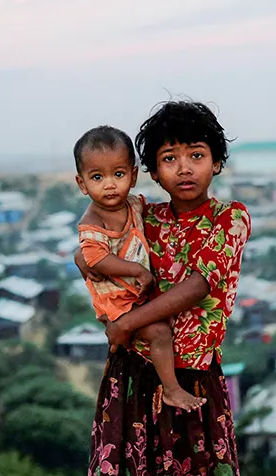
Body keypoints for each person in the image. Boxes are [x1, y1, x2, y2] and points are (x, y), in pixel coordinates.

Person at [76, 100, 265, 476]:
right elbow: (93, 249)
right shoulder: (143, 217)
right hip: (136, 376)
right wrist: (89, 260)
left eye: (196, 155)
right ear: (150, 172)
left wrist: (123, 324)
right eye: (169, 158)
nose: (184, 167)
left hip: (195, 374)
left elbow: (200, 286)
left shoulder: (230, 218)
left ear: (217, 162)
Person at [73, 125, 205, 411]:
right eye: (97, 177)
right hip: (117, 303)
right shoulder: (94, 220)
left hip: (135, 298)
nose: (109, 184)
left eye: (118, 174)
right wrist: (135, 270)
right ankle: (172, 390)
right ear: (82, 183)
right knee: (158, 332)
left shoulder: (134, 205)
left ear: (132, 176)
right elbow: (96, 258)